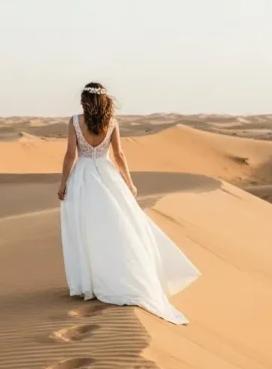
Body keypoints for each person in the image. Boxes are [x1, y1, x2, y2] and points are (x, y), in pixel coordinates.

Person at [57, 82, 199, 325]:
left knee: (85, 229)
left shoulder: (74, 121)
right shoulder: (111, 122)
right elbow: (119, 155)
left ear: (85, 100)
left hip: (82, 178)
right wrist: (129, 183)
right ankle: (113, 276)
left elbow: (71, 154)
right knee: (115, 227)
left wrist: (63, 182)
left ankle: (89, 283)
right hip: (107, 174)